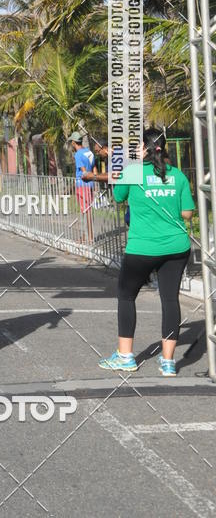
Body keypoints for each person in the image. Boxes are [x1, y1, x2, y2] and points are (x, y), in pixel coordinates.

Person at [99, 128, 195, 377]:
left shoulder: (132, 172)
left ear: (143, 148)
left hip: (142, 247)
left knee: (126, 295)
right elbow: (187, 213)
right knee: (170, 299)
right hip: (177, 247)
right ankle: (168, 362)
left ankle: (125, 356)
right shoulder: (178, 175)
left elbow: (119, 197)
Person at [68, 131, 95, 241]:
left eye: (71, 142)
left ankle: (88, 237)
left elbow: (83, 171)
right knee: (88, 211)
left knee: (85, 211)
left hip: (82, 184)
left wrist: (85, 176)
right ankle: (87, 235)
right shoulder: (89, 152)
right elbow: (94, 168)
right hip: (91, 183)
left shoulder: (78, 154)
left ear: (74, 142)